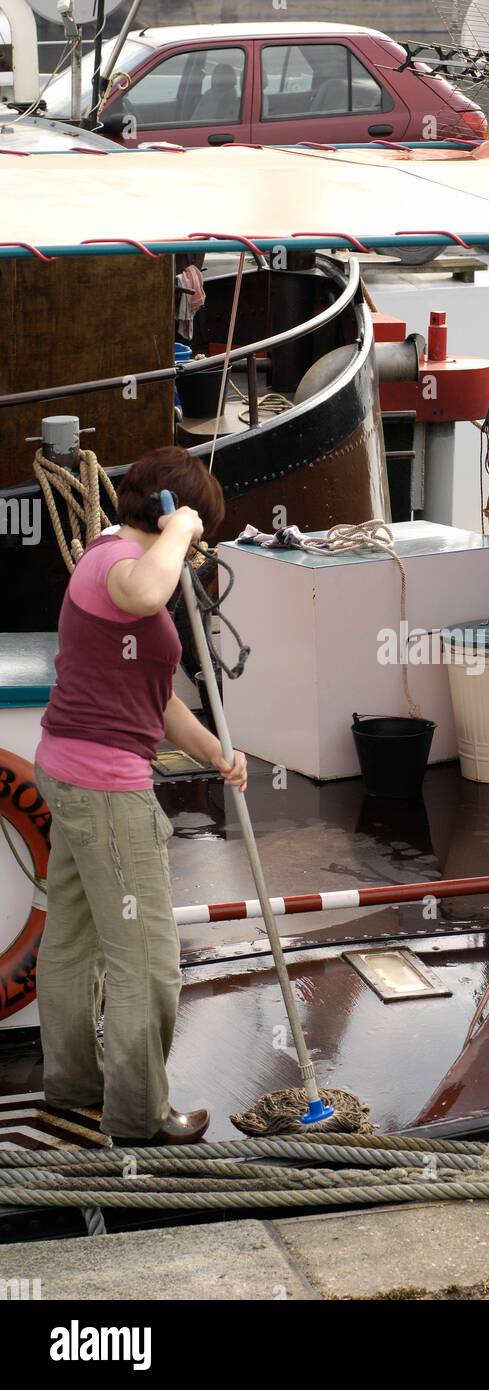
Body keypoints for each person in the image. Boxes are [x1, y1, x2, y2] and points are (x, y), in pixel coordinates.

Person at [34, 446, 247, 1146]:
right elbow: (145, 593)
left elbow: (151, 702)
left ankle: (72, 1088)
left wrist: (213, 750)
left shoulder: (112, 561)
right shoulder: (113, 566)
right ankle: (139, 1115)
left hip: (69, 772)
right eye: (194, 528)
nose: (196, 548)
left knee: (72, 942)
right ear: (165, 514)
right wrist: (182, 531)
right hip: (105, 791)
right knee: (146, 959)